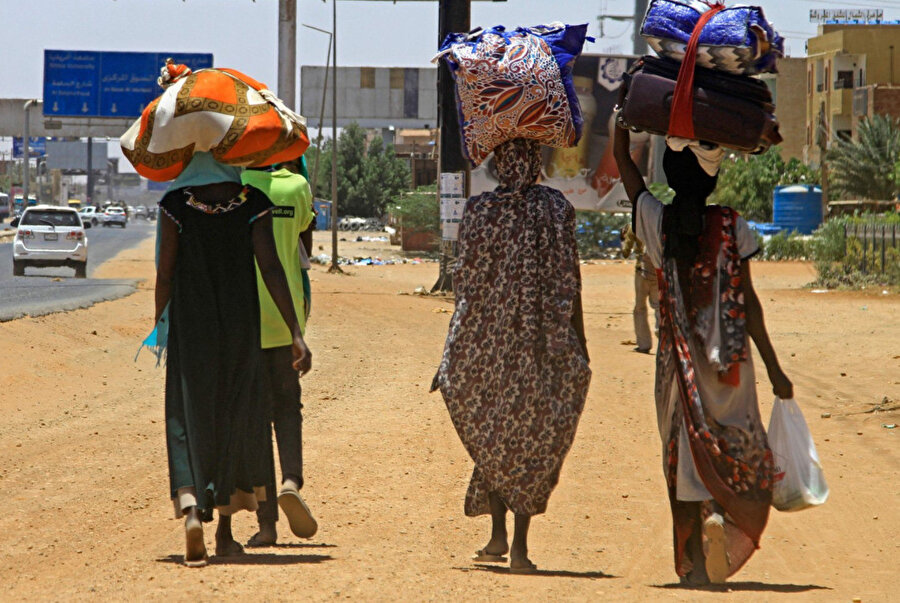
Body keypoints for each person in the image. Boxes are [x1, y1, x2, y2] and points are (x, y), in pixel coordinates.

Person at [614, 111, 793, 585]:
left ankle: (693, 557)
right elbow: (751, 306)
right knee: (736, 448)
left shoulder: (658, 222)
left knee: (682, 455)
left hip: (679, 368)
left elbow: (627, 173)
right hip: (730, 368)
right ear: (713, 181)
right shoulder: (735, 226)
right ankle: (726, 522)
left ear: (671, 175)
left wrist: (621, 125)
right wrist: (775, 370)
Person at [431, 138, 592, 574]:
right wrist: (579, 341)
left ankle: (500, 534)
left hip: (484, 348)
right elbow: (569, 280)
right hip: (539, 347)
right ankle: (514, 543)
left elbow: (464, 284)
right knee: (529, 438)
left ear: (499, 164)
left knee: (495, 432)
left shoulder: (479, 210)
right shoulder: (555, 208)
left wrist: (454, 348)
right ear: (535, 163)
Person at [154, 152, 312, 567]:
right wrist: (295, 333)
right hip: (243, 329)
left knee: (188, 417)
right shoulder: (251, 202)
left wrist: (161, 324)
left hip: (192, 329)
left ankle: (192, 511)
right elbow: (272, 268)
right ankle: (224, 534)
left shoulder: (175, 206)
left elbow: (165, 273)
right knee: (235, 417)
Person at [240, 156, 317, 546]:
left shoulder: (236, 185)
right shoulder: (297, 188)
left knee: (254, 421)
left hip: (244, 323)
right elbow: (305, 253)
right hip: (286, 320)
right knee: (288, 409)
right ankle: (291, 480)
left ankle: (267, 523)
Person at [622, 223, 659, 354]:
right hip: (658, 271)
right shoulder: (658, 222)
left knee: (640, 308)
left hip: (642, 271)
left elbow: (625, 252)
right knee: (659, 307)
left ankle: (644, 344)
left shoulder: (634, 226)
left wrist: (624, 237)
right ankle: (661, 334)